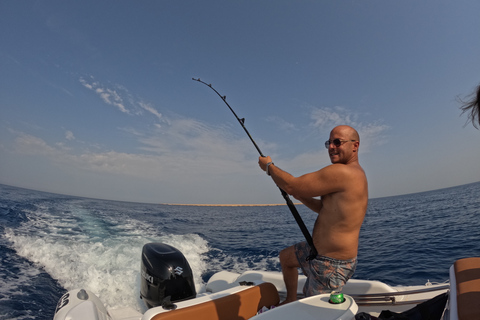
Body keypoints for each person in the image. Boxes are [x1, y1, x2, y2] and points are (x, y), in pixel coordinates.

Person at [258, 125, 368, 304]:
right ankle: (290, 301)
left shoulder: (344, 172)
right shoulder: (354, 174)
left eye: (337, 142)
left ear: (355, 146)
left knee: (312, 312)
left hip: (331, 265)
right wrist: (299, 194)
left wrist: (269, 167)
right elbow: (325, 208)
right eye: (329, 142)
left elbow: (292, 185)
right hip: (317, 252)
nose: (331, 147)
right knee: (286, 258)